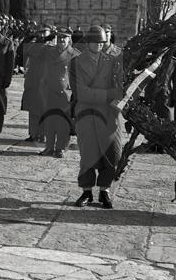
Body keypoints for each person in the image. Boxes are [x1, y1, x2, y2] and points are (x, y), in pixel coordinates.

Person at [70, 25, 124, 209]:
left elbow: (119, 87)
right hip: (86, 114)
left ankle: (104, 190)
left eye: (102, 42)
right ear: (88, 42)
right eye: (95, 42)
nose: (99, 45)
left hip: (109, 115)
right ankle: (86, 191)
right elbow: (81, 92)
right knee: (88, 154)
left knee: (112, 154)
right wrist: (108, 94)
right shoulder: (76, 62)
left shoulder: (112, 61)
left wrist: (111, 94)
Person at [39, 28, 79, 157]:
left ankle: (61, 148)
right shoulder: (49, 51)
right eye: (60, 37)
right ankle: (49, 147)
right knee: (49, 120)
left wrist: (75, 94)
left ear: (69, 39)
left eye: (64, 37)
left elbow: (78, 77)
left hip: (65, 94)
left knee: (63, 122)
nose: (61, 40)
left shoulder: (74, 54)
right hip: (49, 90)